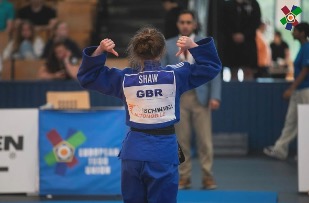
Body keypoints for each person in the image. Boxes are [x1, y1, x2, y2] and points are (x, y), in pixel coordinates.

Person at [77, 27, 221, 203]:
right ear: (162, 51)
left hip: (133, 153)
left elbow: (88, 77)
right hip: (163, 153)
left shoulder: (125, 79)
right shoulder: (176, 75)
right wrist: (193, 46)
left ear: (135, 52)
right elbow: (211, 66)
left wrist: (99, 51)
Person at [162, 10, 221, 190]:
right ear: (178, 24)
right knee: (182, 140)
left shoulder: (204, 43)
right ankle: (184, 177)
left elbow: (216, 70)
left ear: (194, 24)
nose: (185, 25)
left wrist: (215, 96)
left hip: (201, 98)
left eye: (189, 22)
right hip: (179, 98)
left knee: (205, 141)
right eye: (182, 22)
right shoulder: (168, 45)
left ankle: (207, 176)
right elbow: (163, 73)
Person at [264, 22, 309, 160]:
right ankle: (280, 149)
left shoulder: (307, 48)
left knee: (305, 122)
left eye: (295, 30)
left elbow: (305, 70)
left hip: (305, 90)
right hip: (298, 91)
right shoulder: (302, 48)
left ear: (302, 33)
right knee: (291, 121)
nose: (292, 32)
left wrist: (291, 88)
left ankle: (305, 153)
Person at [222, 0, 261, 80]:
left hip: (248, 44)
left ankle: (249, 91)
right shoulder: (227, 5)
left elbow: (256, 22)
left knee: (248, 72)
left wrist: (244, 35)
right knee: (233, 71)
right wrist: (232, 35)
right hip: (231, 44)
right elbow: (223, 23)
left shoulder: (253, 4)